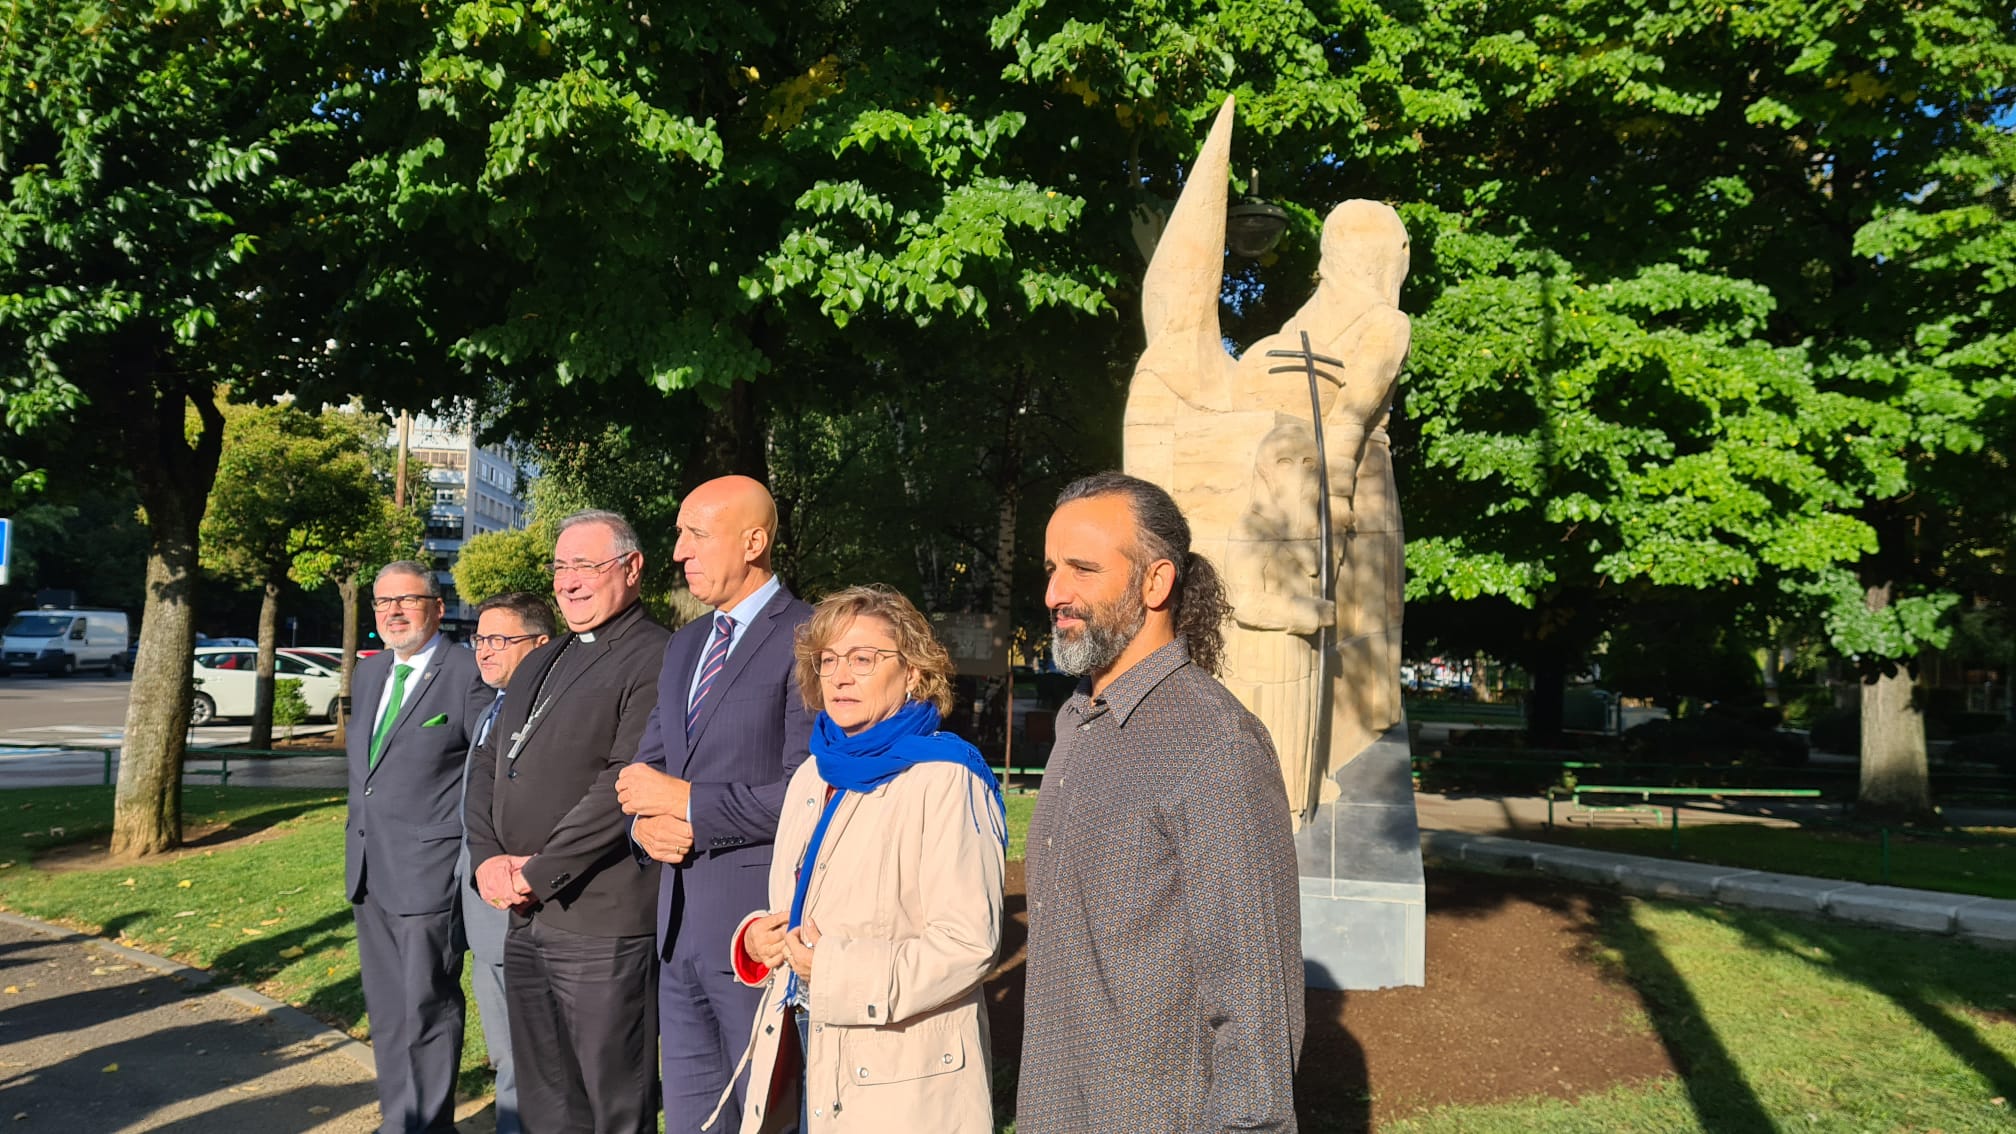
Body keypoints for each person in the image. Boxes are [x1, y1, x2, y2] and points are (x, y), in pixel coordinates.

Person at [1017, 472, 1304, 1134]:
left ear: (1155, 583)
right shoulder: (1075, 721)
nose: (1055, 593)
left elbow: (1256, 1005)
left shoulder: (1217, 744)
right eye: (1052, 569)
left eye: (1082, 569)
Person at [701, 584, 1004, 1132]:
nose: (840, 675)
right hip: (802, 1037)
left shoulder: (945, 778)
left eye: (864, 659)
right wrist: (760, 937)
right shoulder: (815, 772)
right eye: (829, 660)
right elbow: (807, 899)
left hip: (898, 1066)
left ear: (913, 672)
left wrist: (834, 969)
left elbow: (968, 945)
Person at [615, 475, 814, 1134]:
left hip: (760, 936)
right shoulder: (684, 647)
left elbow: (808, 796)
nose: (677, 551)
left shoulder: (811, 638)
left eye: (695, 534)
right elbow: (646, 775)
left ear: (754, 541)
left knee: (772, 1119)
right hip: (677, 936)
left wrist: (688, 804)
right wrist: (645, 828)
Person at [465, 511, 672, 1134]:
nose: (570, 582)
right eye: (561, 567)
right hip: (525, 913)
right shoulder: (539, 659)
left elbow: (622, 783)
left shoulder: (658, 656)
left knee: (610, 1101)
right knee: (545, 1098)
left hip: (600, 919)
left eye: (587, 565)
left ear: (632, 569)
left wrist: (541, 869)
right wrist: (486, 857)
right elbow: (485, 764)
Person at [345, 560, 494, 1134]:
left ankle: (428, 1125)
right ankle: (399, 1120)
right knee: (386, 1011)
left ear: (436, 606)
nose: (393, 612)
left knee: (425, 1006)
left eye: (406, 600)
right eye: (383, 603)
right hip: (368, 867)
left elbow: (487, 768)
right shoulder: (371, 671)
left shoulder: (465, 672)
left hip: (429, 872)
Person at [458, 591, 556, 1134]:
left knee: (529, 1049)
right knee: (504, 1047)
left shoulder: (546, 713)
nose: (486, 651)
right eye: (481, 639)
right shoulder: (490, 705)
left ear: (541, 645)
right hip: (479, 904)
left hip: (520, 900)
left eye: (502, 639)